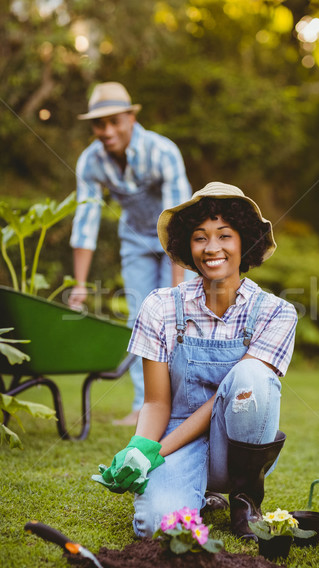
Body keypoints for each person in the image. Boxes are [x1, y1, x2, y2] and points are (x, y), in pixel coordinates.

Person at [93, 181, 298, 540]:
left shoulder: (275, 313)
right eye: (200, 237)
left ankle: (245, 498)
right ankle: (200, 498)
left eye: (224, 235)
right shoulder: (160, 306)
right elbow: (157, 402)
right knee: (158, 527)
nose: (212, 248)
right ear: (188, 245)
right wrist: (138, 449)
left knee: (251, 375)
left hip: (235, 447)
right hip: (178, 436)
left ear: (244, 241)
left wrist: (155, 451)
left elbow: (226, 397)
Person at [68, 82, 191, 426]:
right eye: (98, 124)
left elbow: (178, 219)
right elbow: (86, 220)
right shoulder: (91, 161)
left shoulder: (162, 151)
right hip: (136, 240)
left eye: (114, 122)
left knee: (182, 318)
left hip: (178, 242)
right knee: (141, 318)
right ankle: (145, 406)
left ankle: (184, 406)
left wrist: (178, 288)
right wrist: (79, 284)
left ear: (132, 118)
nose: (106, 132)